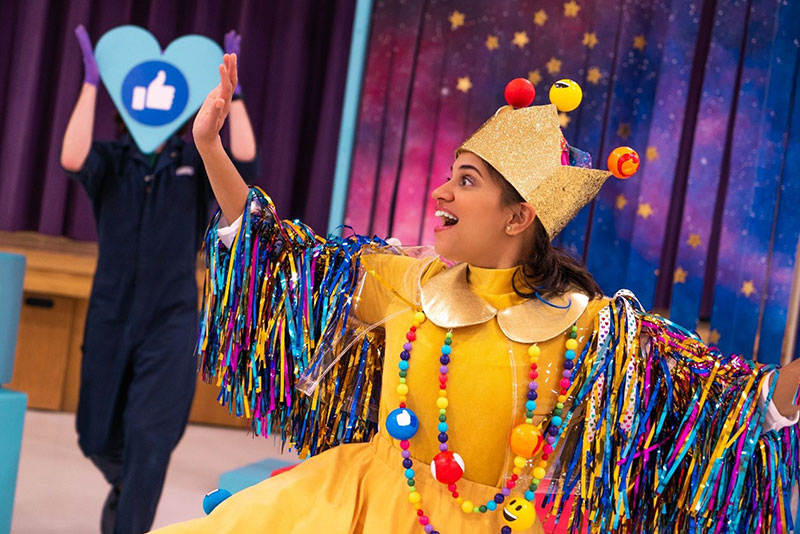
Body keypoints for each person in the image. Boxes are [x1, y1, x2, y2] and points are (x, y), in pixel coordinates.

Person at [154, 55, 799, 534]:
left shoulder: (597, 333)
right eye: (449, 176)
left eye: (464, 181)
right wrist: (211, 147)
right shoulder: (405, 281)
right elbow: (278, 262)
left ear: (518, 219)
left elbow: (741, 405)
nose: (441, 194)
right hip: (366, 509)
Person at [60, 28, 258, 534]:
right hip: (111, 311)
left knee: (151, 435)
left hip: (170, 317)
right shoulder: (112, 160)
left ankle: (130, 516)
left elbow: (246, 160)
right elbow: (72, 158)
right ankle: (124, 483)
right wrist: (90, 83)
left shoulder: (191, 159)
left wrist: (232, 97)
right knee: (94, 434)